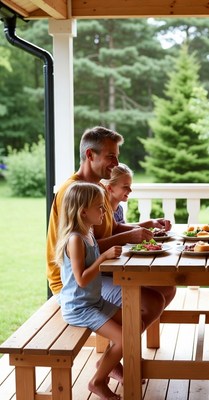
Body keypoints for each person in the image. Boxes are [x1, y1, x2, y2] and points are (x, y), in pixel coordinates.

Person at [46, 126, 176, 337]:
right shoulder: (73, 193)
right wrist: (128, 237)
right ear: (90, 155)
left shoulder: (98, 189)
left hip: (103, 271)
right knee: (150, 303)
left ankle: (119, 347)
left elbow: (112, 228)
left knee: (167, 288)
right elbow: (86, 248)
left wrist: (146, 225)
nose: (116, 164)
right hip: (73, 286)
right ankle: (117, 354)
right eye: (111, 157)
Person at [55, 182, 123, 400]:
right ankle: (97, 381)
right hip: (79, 307)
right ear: (83, 211)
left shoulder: (89, 232)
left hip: (94, 301)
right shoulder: (75, 239)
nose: (104, 210)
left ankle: (108, 364)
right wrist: (104, 257)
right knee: (125, 339)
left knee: (134, 322)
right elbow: (82, 280)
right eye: (99, 207)